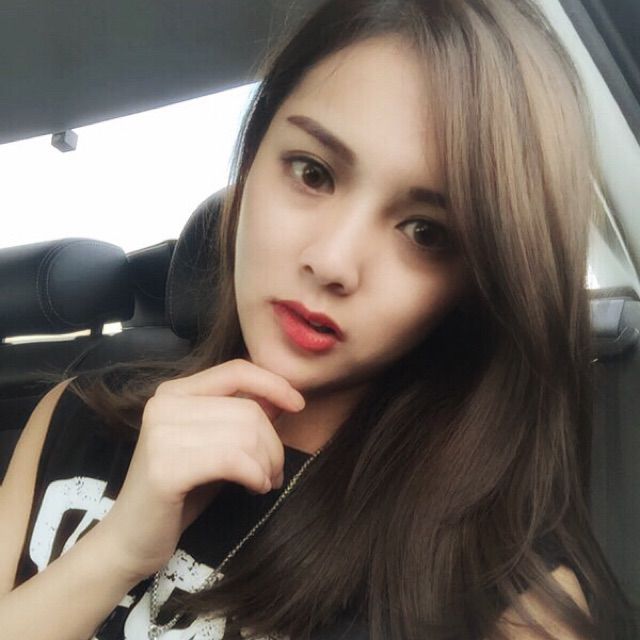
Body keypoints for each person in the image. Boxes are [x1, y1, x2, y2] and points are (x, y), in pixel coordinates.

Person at [0, 0, 636, 638]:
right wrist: (115, 553)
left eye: (426, 231)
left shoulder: (504, 599)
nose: (333, 261)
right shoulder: (74, 414)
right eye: (313, 173)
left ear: (478, 280)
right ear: (251, 161)